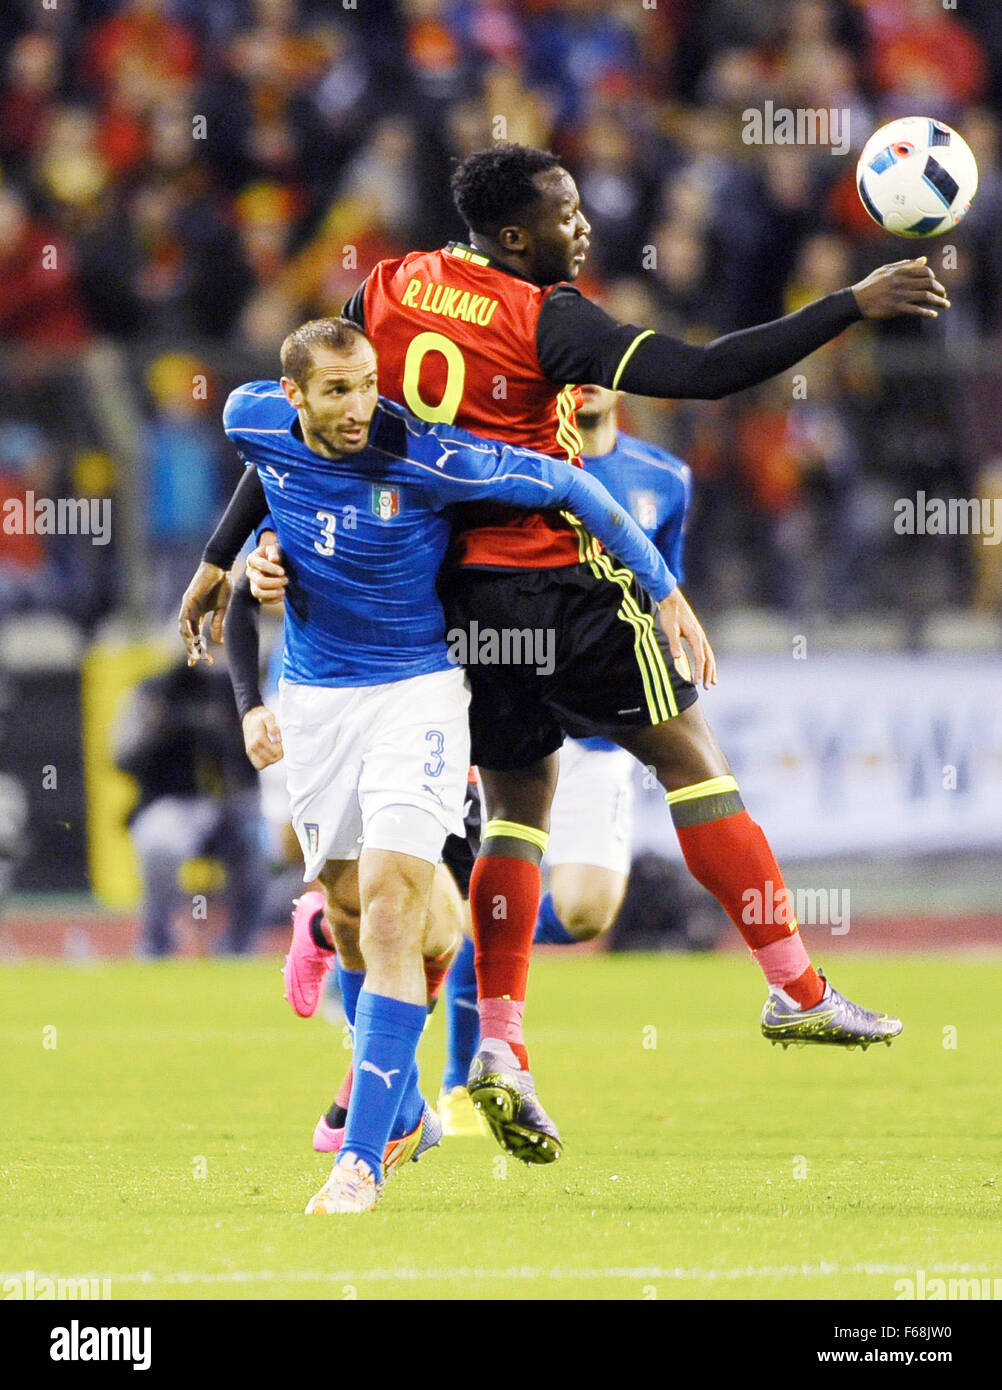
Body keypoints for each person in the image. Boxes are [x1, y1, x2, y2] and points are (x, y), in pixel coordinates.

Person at [183, 142, 927, 1162]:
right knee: (691, 761)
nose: (583, 228)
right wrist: (850, 302)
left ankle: (501, 1048)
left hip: (454, 599)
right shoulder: (550, 317)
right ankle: (795, 987)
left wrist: (227, 554)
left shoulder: (391, 284)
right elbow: (707, 372)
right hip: (554, 574)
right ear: (519, 235)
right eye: (566, 213)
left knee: (520, 806)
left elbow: (308, 430)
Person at [189, 314, 690, 1209]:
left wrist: (666, 591)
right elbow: (264, 474)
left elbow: (572, 486)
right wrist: (221, 562)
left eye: (368, 385)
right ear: (294, 395)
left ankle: (361, 1157)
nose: (358, 408)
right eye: (337, 392)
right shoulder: (250, 418)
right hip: (315, 703)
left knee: (386, 909)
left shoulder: (433, 457)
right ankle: (405, 1098)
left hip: (419, 695)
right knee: (359, 913)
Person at [438, 385, 691, 1130]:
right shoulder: (516, 462)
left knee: (585, 912)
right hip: (514, 708)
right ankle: (460, 1081)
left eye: (598, 366)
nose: (585, 382)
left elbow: (663, 582)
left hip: (599, 728)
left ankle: (465, 941)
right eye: (569, 369)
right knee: (491, 862)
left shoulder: (665, 478)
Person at [113, 656, 267, 957]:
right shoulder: (152, 691)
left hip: (225, 804)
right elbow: (123, 758)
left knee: (258, 844)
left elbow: (257, 761)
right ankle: (156, 944)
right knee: (160, 845)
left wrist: (223, 735)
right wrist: (164, 730)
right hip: (170, 802)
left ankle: (239, 947)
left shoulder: (234, 691)